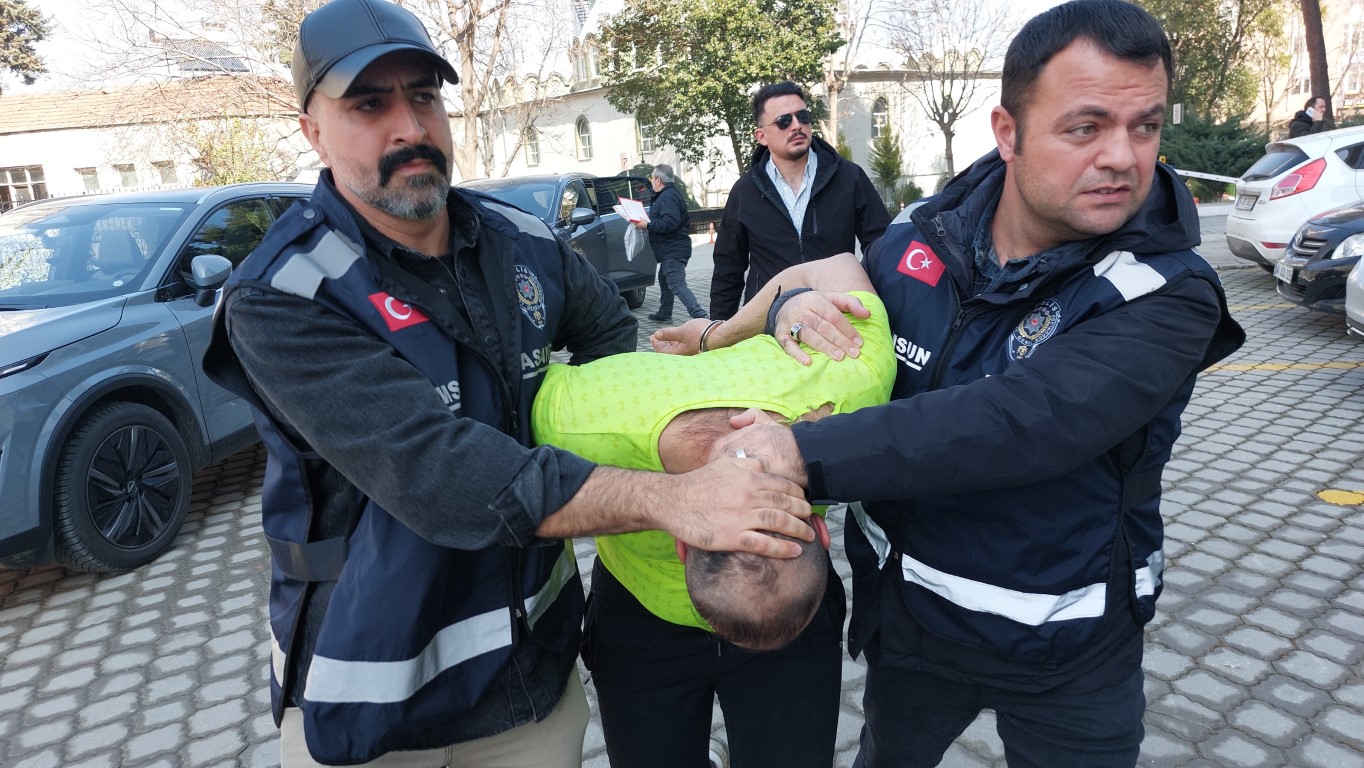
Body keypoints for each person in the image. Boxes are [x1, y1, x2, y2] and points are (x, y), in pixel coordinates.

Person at [199, 0, 814, 765]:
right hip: (374, 691)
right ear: (312, 131)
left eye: (424, 96)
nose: (410, 128)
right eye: (368, 104)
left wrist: (742, 348)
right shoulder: (283, 295)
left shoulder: (525, 243)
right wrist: (669, 499)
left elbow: (613, 362)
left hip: (528, 680)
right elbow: (439, 472)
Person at [661, 2, 1248, 765]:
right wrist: (784, 309)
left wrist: (794, 453)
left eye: (1146, 126)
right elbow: (838, 283)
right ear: (1007, 132)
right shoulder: (918, 238)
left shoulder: (1166, 292)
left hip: (1068, 651)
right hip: (911, 633)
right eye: (1086, 127)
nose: (1124, 157)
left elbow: (1018, 421)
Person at [531, 253, 894, 767]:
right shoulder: (854, 379)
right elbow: (835, 263)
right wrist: (733, 329)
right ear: (820, 529)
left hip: (674, 624)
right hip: (646, 628)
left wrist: (727, 332)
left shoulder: (576, 419)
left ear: (682, 543)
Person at [708, 81, 891, 321]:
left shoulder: (849, 177)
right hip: (769, 324)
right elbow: (727, 270)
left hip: (839, 318)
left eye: (802, 116)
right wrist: (716, 333)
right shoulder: (745, 192)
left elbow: (882, 250)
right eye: (784, 121)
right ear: (761, 136)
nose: (796, 126)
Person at [638, 164, 707, 321]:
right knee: (664, 278)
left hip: (673, 249)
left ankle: (699, 315)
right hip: (672, 248)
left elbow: (671, 222)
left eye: (652, 178)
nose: (651, 182)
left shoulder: (667, 196)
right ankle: (665, 312)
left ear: (658, 180)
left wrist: (648, 225)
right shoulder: (668, 195)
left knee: (676, 283)